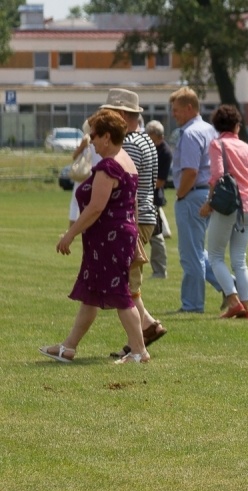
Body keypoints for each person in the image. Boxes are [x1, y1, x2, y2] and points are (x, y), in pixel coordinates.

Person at [39, 109, 149, 364]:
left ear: (107, 137)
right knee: (90, 293)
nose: (92, 142)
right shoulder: (126, 161)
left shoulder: (108, 166)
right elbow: (128, 206)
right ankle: (68, 348)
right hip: (113, 238)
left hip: (110, 239)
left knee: (120, 294)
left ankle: (139, 351)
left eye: (95, 137)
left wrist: (70, 234)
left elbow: (96, 207)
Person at [100, 89, 168, 359]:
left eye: (111, 112)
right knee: (130, 282)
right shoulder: (147, 141)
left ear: (123, 115)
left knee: (126, 286)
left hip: (134, 217)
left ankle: (139, 342)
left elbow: (128, 187)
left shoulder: (128, 144)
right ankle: (147, 328)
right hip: (148, 215)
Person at [200, 104, 248, 319]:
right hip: (247, 205)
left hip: (226, 205)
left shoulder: (217, 144)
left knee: (215, 255)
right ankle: (246, 304)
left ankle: (233, 301)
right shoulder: (247, 148)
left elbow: (217, 176)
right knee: (240, 259)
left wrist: (209, 202)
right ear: (235, 125)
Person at [169, 86, 223, 313]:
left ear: (189, 108)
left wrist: (181, 194)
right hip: (207, 193)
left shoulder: (190, 134)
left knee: (190, 255)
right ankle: (232, 287)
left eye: (177, 110)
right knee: (199, 252)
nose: (174, 115)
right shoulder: (210, 130)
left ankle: (192, 304)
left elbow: (190, 171)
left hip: (191, 194)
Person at [146, 119, 172, 279]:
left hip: (153, 198)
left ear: (155, 135)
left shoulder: (165, 152)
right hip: (145, 196)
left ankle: (160, 271)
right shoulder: (150, 148)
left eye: (149, 135)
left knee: (156, 236)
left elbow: (160, 181)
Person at [69, 120, 100, 226]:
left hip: (85, 173)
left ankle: (71, 227)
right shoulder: (101, 140)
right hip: (97, 174)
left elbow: (74, 155)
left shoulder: (86, 139)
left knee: (75, 201)